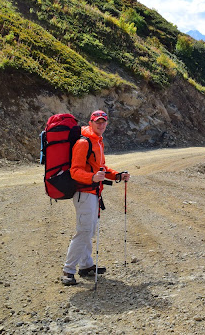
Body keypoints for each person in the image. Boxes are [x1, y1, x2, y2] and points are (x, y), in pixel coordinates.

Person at [62, 110, 130, 286]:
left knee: (89, 230)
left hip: (93, 193)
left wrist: (117, 175)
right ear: (90, 122)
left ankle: (86, 265)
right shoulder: (83, 142)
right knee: (83, 231)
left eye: (104, 122)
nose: (101, 125)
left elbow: (101, 168)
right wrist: (91, 178)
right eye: (97, 122)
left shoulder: (97, 141)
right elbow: (75, 171)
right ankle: (68, 271)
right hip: (84, 193)